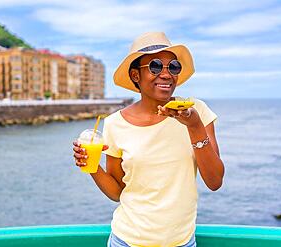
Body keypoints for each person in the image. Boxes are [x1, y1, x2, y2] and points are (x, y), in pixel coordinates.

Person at [73, 32, 225, 247]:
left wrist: (195, 126)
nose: (166, 74)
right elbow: (117, 192)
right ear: (136, 76)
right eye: (155, 66)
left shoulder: (196, 111)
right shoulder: (115, 123)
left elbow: (214, 181)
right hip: (126, 240)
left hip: (181, 242)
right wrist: (91, 166)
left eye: (173, 67)